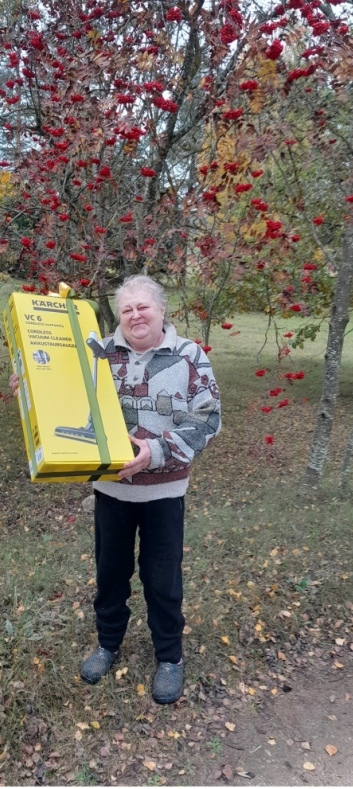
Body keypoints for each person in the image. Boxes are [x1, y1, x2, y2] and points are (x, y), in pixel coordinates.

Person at [13, 274, 221, 705]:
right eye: (126, 309)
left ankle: (170, 658)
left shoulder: (189, 356)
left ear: (162, 311)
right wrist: (30, 384)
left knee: (162, 580)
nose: (135, 315)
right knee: (110, 576)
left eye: (143, 306)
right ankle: (108, 644)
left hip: (164, 493)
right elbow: (61, 389)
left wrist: (158, 451)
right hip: (112, 491)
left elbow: (208, 420)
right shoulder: (97, 353)